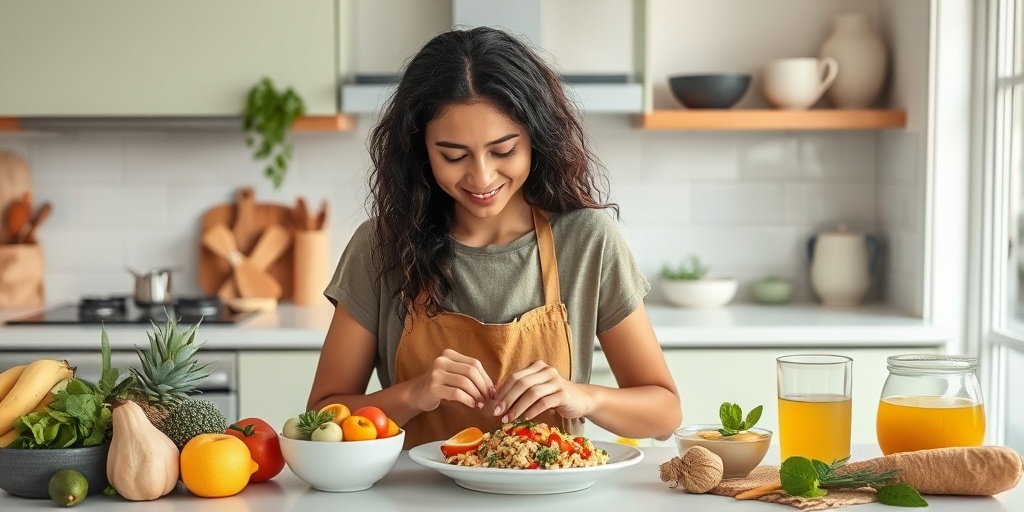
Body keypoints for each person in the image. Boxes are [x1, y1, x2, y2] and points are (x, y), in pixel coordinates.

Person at [307, 26, 681, 449]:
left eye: (503, 151)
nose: (482, 177)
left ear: (537, 139)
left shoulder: (587, 240)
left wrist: (582, 397)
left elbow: (664, 414)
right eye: (453, 155)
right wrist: (413, 394)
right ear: (420, 150)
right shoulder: (379, 246)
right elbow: (321, 417)